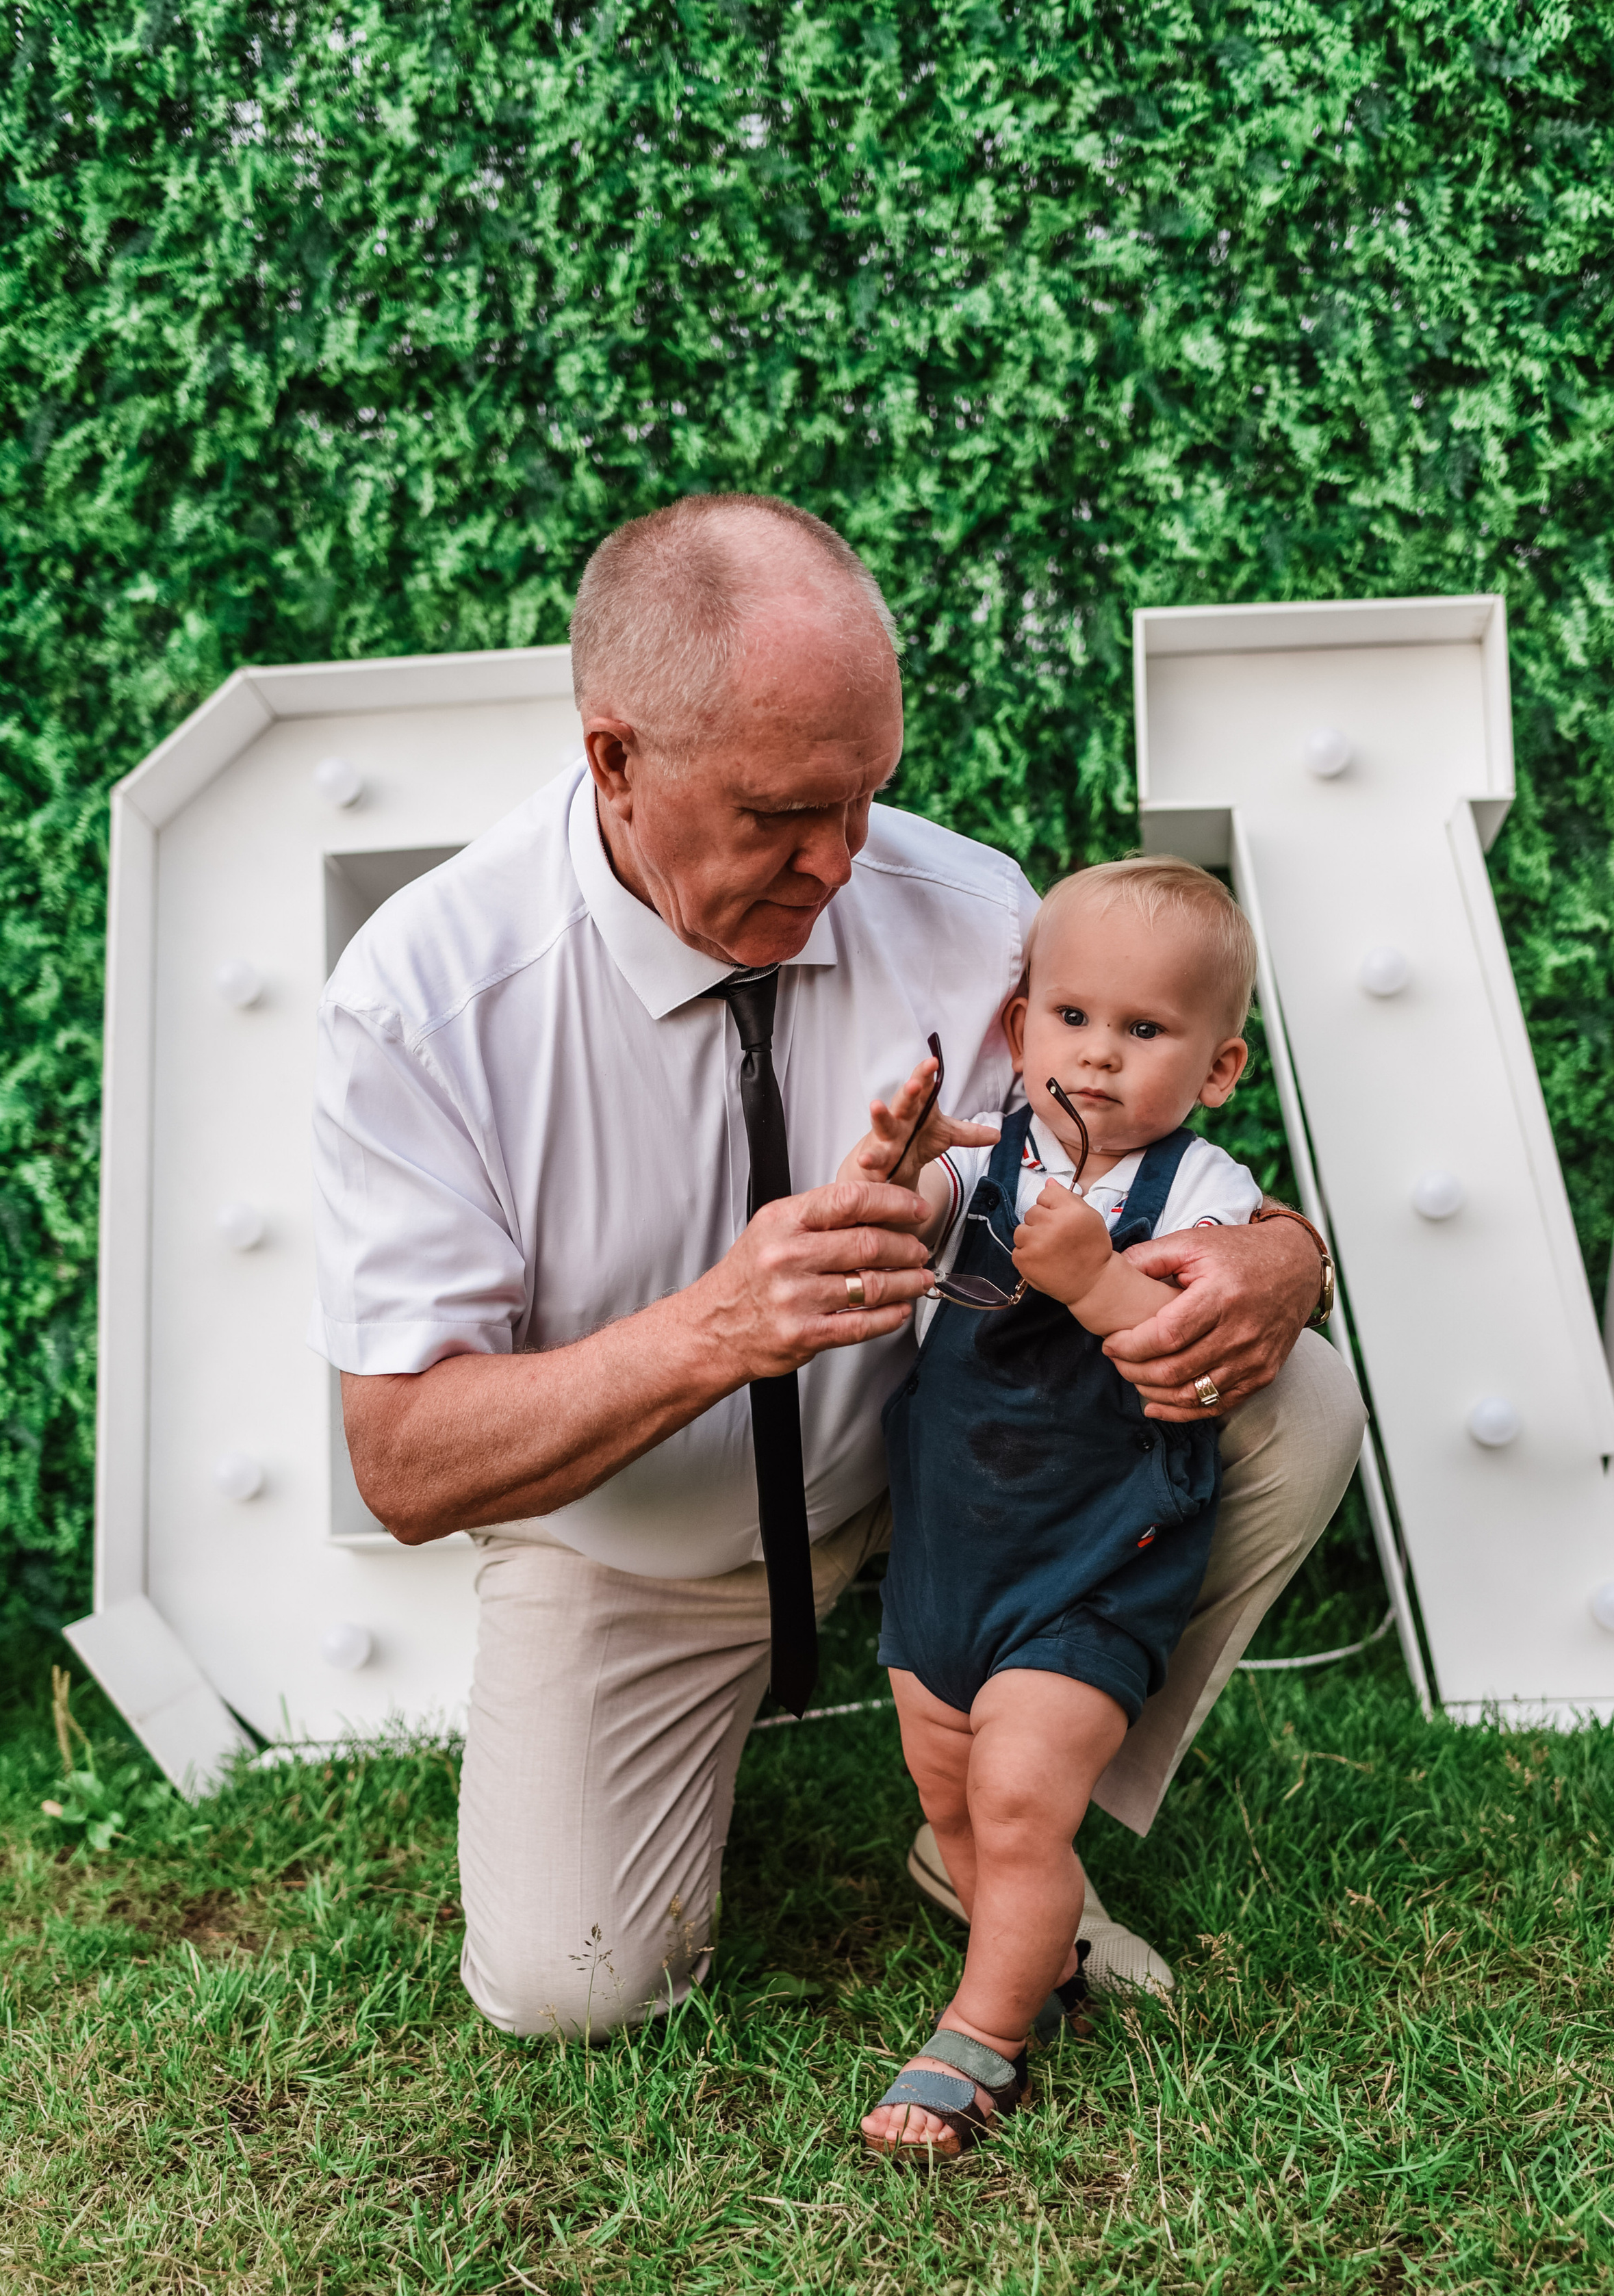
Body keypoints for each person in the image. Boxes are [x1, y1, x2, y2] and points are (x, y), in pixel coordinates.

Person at [311, 491, 1364, 2043]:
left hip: (946, 1469)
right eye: (778, 815)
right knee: (569, 1989)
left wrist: (1285, 1255)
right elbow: (402, 1463)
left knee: (1298, 1405)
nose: (837, 856)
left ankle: (1002, 1833)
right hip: (636, 1552)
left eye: (863, 794)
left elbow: (1122, 1175)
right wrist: (714, 1330)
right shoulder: (424, 998)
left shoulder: (966, 906)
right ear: (615, 759)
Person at [840, 860, 1261, 2155]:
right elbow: (913, 1229)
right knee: (953, 1790)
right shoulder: (991, 1151)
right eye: (1071, 1019)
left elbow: (1182, 1348)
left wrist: (1097, 1282)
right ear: (1020, 1029)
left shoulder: (1202, 1192)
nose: (1097, 1058)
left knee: (1023, 1794)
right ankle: (1043, 1956)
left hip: (1096, 1550)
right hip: (955, 1540)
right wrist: (896, 1170)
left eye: (1145, 1032)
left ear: (1216, 1068)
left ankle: (986, 2036)